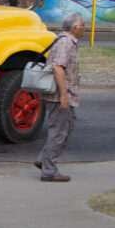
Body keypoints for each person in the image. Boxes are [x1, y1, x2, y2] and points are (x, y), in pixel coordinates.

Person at [35, 12, 85, 182]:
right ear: (75, 28)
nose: (85, 29)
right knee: (58, 133)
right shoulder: (65, 43)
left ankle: (44, 160)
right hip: (59, 96)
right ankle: (49, 171)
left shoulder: (67, 41)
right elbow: (58, 68)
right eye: (83, 26)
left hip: (65, 95)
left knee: (67, 129)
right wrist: (64, 95)